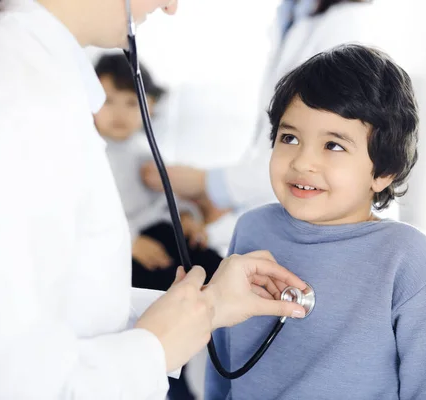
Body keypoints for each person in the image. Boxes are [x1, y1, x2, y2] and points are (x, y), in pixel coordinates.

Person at [0, 1, 309, 399]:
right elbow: (0, 384)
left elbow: (53, 309)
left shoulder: (13, 67)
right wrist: (154, 348)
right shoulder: (20, 100)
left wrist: (206, 306)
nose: (171, 6)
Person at [204, 45, 426, 399]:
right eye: (289, 138)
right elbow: (221, 359)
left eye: (334, 145)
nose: (302, 162)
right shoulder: (252, 229)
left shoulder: (407, 257)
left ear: (384, 171)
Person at [142, 0, 377, 248]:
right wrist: (222, 201)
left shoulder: (346, 25)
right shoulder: (293, 14)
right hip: (274, 208)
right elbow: (273, 141)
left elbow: (316, 155)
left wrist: (206, 183)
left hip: (319, 228)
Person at [94, 53, 222, 399]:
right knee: (162, 290)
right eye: (108, 101)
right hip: (124, 247)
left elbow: (166, 196)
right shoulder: (91, 153)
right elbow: (89, 212)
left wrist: (189, 217)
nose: (121, 113)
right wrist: (131, 240)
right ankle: (182, 365)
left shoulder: (144, 149)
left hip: (161, 232)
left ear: (149, 106)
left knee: (208, 262)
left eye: (131, 103)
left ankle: (223, 325)